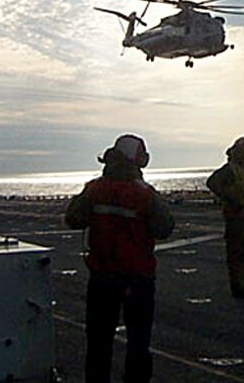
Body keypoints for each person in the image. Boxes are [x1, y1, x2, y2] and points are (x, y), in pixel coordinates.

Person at [65, 134, 174, 382]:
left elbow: (73, 218)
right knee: (138, 343)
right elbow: (165, 228)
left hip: (102, 278)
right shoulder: (144, 194)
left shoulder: (95, 189)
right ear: (136, 159)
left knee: (99, 343)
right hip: (138, 279)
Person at [206, 137, 244, 298]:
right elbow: (212, 183)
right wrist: (230, 199)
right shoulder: (229, 170)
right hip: (235, 216)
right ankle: (238, 286)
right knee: (237, 252)